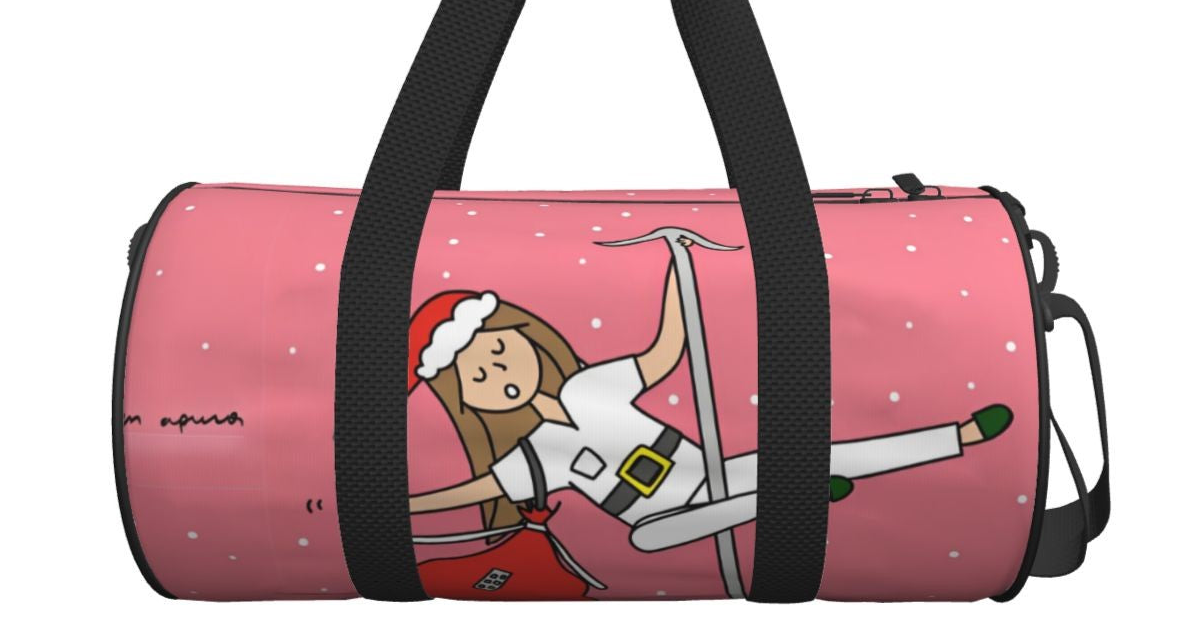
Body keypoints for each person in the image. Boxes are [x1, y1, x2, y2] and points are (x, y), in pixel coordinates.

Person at [406, 243, 1013, 552]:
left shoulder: (592, 386)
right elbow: (476, 491)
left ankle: (957, 436)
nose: (497, 372)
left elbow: (665, 351)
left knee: (829, 455)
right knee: (646, 539)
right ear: (468, 405)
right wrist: (399, 508)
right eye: (476, 378)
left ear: (523, 334)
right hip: (661, 518)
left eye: (498, 349)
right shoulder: (534, 454)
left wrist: (679, 276)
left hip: (711, 475)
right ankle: (789, 503)